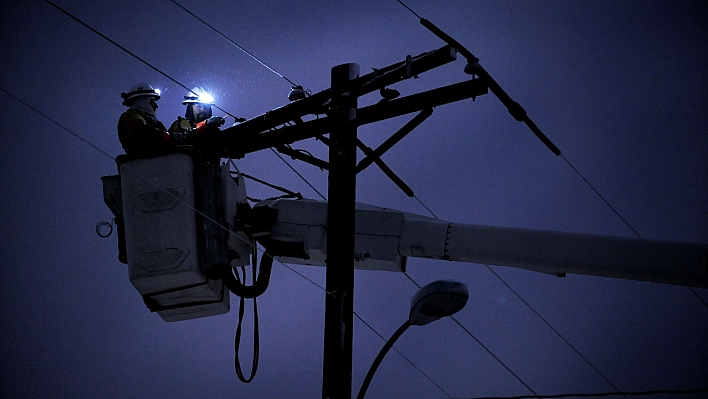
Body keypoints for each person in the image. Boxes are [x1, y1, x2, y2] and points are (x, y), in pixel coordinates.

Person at [117, 82, 176, 156]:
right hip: (143, 162)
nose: (156, 106)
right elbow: (144, 133)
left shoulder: (150, 120)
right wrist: (168, 136)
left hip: (156, 160)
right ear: (143, 101)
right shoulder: (130, 117)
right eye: (152, 101)